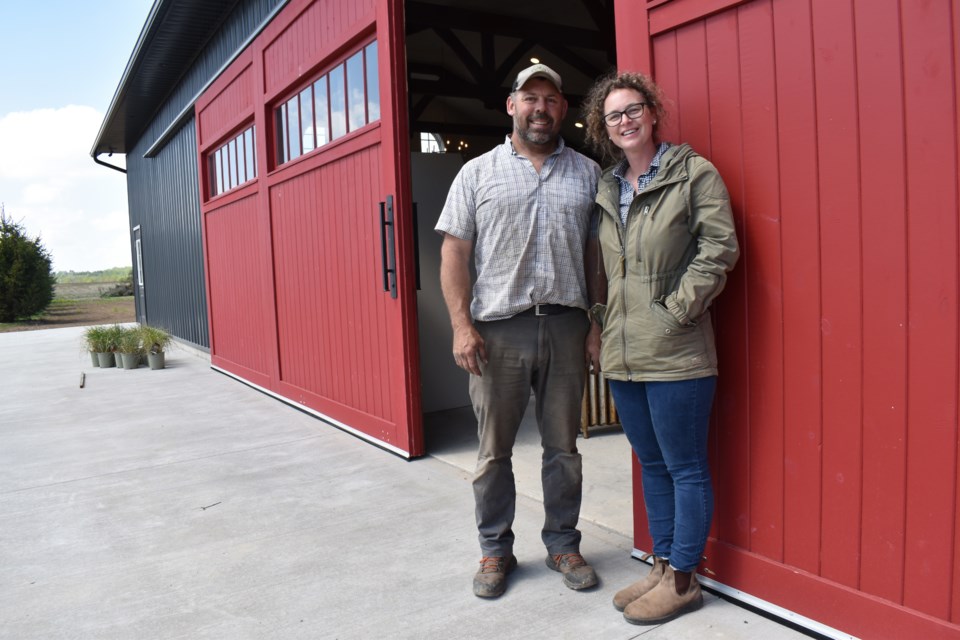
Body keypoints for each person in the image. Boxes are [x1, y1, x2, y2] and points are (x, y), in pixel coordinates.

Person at [435, 63, 601, 599]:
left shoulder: (587, 173)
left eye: (551, 100)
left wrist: (596, 323)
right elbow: (454, 251)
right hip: (497, 332)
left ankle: (562, 543)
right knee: (492, 453)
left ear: (563, 109)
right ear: (511, 105)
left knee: (563, 449)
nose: (541, 108)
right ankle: (494, 550)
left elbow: (599, 256)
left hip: (566, 326)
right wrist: (461, 326)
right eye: (530, 98)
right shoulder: (477, 173)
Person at [581, 71, 739, 624]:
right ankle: (661, 562)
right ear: (604, 128)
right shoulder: (608, 186)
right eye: (613, 116)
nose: (624, 122)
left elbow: (719, 248)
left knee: (685, 466)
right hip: (624, 355)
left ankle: (684, 578)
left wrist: (676, 311)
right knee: (651, 464)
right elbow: (604, 269)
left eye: (632, 110)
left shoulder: (693, 174)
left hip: (677, 352)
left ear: (652, 113)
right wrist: (600, 328)